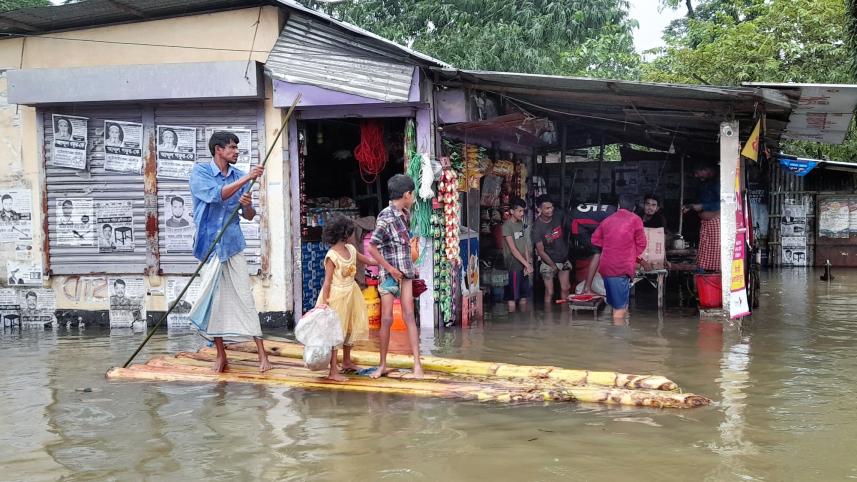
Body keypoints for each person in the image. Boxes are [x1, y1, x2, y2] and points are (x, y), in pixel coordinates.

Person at [188, 131, 271, 373]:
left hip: (233, 244)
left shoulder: (237, 176)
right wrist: (247, 178)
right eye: (232, 148)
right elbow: (215, 195)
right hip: (211, 247)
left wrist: (246, 206)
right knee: (214, 301)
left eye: (236, 148)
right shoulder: (200, 172)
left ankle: (263, 356)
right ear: (218, 150)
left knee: (245, 298)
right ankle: (221, 356)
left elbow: (249, 215)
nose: (236, 151)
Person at [366, 174, 423, 379]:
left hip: (405, 273)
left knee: (409, 316)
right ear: (407, 194)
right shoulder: (385, 217)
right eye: (412, 194)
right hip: (389, 275)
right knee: (387, 318)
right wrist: (390, 269)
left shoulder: (404, 214)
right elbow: (372, 248)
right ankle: (382, 365)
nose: (413, 197)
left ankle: (417, 366)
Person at [315, 215, 376, 381]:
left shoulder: (351, 249)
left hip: (351, 293)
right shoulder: (332, 256)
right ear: (344, 233)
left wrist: (383, 262)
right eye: (350, 231)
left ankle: (347, 362)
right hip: (336, 297)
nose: (352, 234)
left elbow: (367, 261)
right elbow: (327, 283)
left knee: (350, 328)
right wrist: (324, 304)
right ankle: (333, 370)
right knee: (336, 332)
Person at [584, 195, 647, 322]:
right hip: (621, 268)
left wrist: (610, 246)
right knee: (619, 310)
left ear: (618, 206)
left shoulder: (607, 220)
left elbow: (595, 239)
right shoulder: (636, 220)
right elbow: (642, 243)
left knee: (615, 305)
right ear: (634, 208)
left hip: (606, 268)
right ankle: (619, 339)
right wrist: (630, 254)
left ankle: (614, 336)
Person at [532, 195, 572, 305]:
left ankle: (565, 316)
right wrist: (553, 266)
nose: (551, 210)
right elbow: (540, 251)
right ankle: (548, 319)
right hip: (548, 262)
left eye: (551, 207)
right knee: (550, 292)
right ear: (539, 209)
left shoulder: (558, 216)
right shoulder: (537, 228)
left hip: (563, 259)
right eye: (547, 208)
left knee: (565, 288)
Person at [683, 163, 721, 272]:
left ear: (706, 169)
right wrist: (690, 206)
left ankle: (713, 279)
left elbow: (723, 202)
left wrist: (703, 206)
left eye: (696, 173)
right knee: (704, 254)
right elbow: (700, 202)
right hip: (705, 224)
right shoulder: (703, 184)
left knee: (715, 254)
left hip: (715, 223)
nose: (695, 176)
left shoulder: (718, 183)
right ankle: (703, 278)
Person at [502, 198, 533, 312]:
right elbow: (513, 249)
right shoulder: (507, 226)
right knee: (512, 297)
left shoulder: (520, 224)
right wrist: (527, 265)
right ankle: (513, 323)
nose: (522, 213)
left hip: (523, 263)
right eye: (519, 211)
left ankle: (522, 323)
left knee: (524, 296)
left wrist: (527, 262)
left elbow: (524, 244)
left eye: (523, 211)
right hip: (513, 263)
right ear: (511, 211)